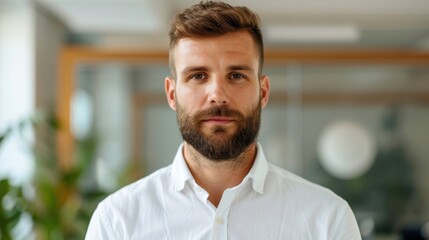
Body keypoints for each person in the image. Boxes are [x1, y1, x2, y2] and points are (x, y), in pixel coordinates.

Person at [85, 1, 362, 239]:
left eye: (236, 76)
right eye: (198, 76)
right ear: (172, 94)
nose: (217, 95)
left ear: (263, 92)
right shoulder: (117, 222)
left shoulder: (327, 219)